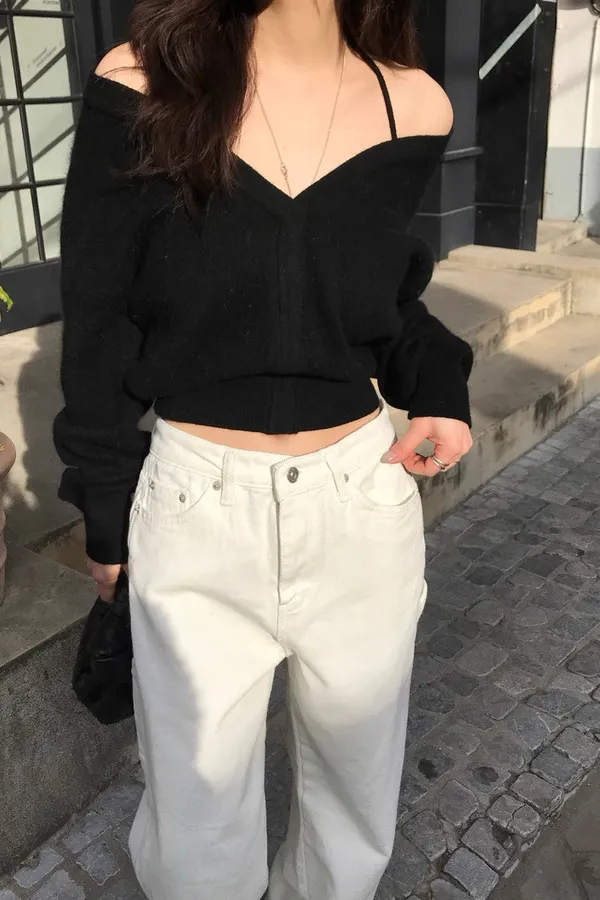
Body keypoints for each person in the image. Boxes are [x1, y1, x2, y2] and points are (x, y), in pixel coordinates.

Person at [54, 1, 474, 898]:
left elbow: (380, 297)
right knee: (196, 834)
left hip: (361, 500)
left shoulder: (414, 104)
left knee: (353, 816)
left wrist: (441, 387)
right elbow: (97, 317)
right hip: (196, 509)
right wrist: (104, 506)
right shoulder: (145, 83)